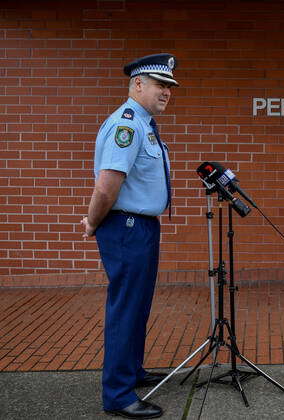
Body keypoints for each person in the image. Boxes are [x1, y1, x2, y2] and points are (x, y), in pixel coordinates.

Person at [81, 53, 178, 419]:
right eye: (159, 85)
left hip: (142, 227)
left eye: (170, 87)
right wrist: (92, 223)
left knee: (138, 305)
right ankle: (119, 394)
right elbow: (107, 186)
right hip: (126, 227)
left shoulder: (145, 124)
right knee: (125, 308)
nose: (166, 92)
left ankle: (132, 372)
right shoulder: (127, 125)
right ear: (138, 84)